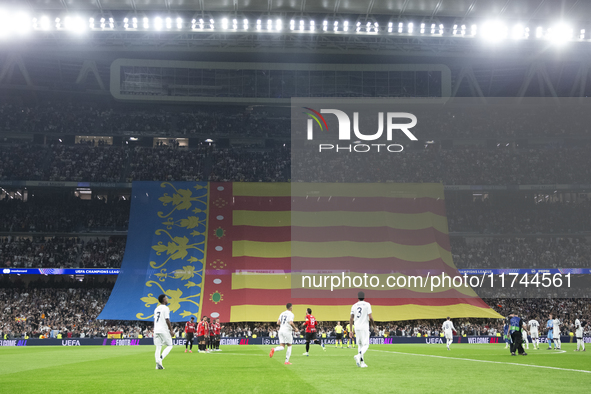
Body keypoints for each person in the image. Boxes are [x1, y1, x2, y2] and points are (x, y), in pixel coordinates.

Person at [350, 291, 375, 368]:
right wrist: (374, 325)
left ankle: (362, 362)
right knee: (366, 345)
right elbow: (370, 317)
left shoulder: (354, 306)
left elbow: (351, 318)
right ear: (364, 297)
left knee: (360, 345)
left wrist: (350, 330)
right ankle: (358, 356)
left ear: (357, 297)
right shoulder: (367, 304)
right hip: (364, 326)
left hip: (356, 327)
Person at [154, 294, 174, 369]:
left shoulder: (156, 309)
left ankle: (158, 365)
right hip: (163, 330)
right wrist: (171, 330)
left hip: (156, 330)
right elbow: (167, 319)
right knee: (170, 345)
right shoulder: (165, 308)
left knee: (158, 347)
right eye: (166, 298)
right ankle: (160, 359)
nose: (167, 299)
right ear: (163, 299)